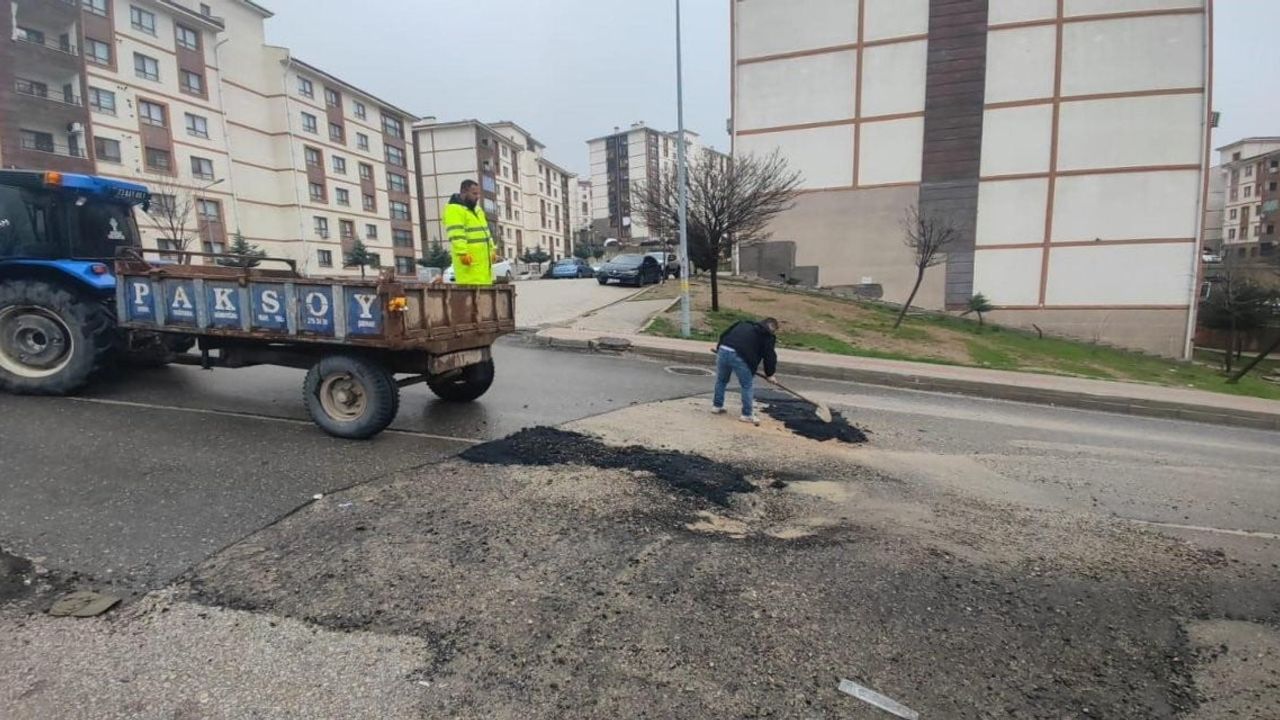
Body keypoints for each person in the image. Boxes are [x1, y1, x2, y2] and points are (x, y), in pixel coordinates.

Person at [712, 317, 779, 425]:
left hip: (724, 350)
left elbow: (724, 334)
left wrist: (719, 348)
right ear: (773, 329)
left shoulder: (743, 323)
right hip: (740, 356)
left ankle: (717, 406)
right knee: (747, 385)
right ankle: (747, 415)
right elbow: (769, 356)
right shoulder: (768, 336)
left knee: (721, 380)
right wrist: (770, 374)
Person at [444, 179, 498, 285]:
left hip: (484, 270)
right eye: (474, 193)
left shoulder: (478, 210)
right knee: (471, 299)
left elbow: (486, 233)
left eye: (478, 194)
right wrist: (462, 253)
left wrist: (492, 250)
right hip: (469, 269)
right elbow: (456, 234)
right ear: (464, 192)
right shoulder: (454, 210)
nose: (477, 196)